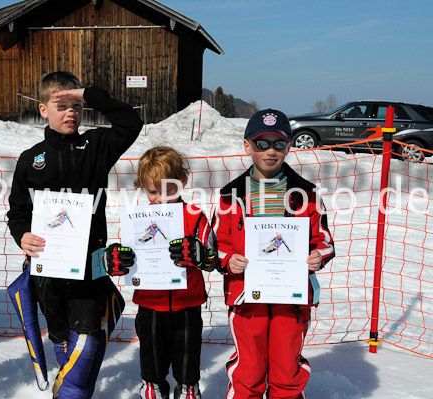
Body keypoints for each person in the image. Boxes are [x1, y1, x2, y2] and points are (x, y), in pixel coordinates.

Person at [6, 71, 143, 398]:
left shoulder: (97, 145)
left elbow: (130, 123)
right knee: (63, 341)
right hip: (46, 270)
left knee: (88, 338)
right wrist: (22, 234)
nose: (71, 112)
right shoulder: (30, 160)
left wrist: (88, 93)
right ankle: (71, 391)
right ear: (43, 110)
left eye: (76, 106)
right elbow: (17, 211)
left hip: (90, 267)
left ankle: (67, 393)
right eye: (61, 105)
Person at [212, 109, 335, 399]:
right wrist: (229, 260)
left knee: (286, 366)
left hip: (290, 297)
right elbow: (217, 243)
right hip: (246, 295)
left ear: (289, 146)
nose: (270, 151)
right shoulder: (231, 196)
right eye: (261, 143)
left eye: (279, 144)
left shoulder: (306, 194)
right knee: (250, 366)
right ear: (247, 145)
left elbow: (325, 240)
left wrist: (318, 255)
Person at [103, 146, 218, 399]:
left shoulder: (195, 216)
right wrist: (116, 259)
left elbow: (212, 258)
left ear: (182, 181)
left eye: (170, 189)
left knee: (187, 353)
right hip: (150, 301)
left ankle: (188, 386)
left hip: (187, 302)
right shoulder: (138, 218)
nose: (161, 197)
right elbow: (126, 255)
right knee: (152, 353)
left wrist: (200, 254)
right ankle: (152, 385)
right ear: (144, 187)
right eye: (153, 191)